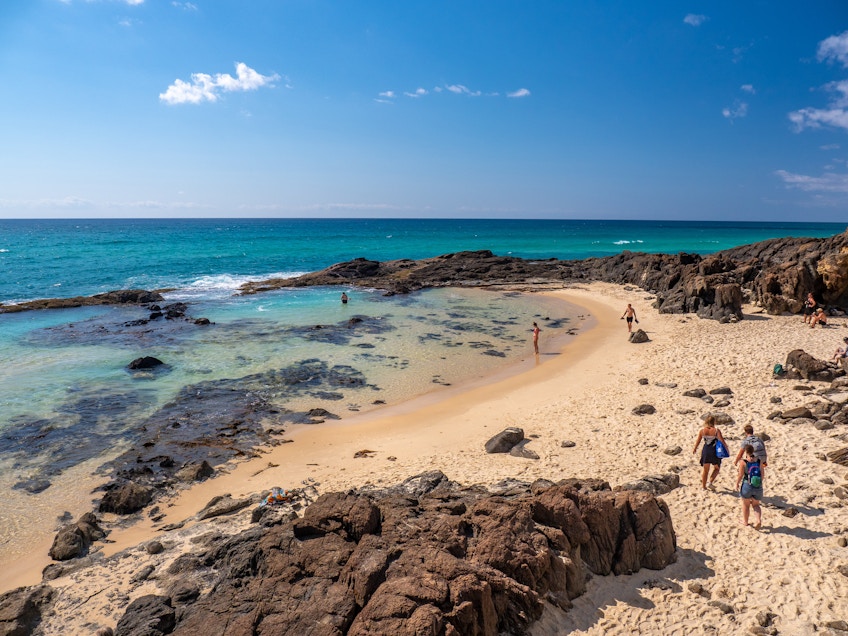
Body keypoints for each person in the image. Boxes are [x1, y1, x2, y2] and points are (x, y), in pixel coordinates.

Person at [692, 414, 727, 490]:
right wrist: (726, 448)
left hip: (706, 450)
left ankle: (703, 487)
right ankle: (710, 482)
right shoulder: (716, 431)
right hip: (714, 450)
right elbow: (722, 440)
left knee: (705, 470)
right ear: (713, 422)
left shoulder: (702, 431)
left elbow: (698, 441)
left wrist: (695, 448)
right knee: (717, 468)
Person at [736, 444, 764, 528]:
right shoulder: (759, 461)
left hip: (747, 485)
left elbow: (740, 475)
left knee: (746, 505)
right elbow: (762, 475)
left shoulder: (743, 462)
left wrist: (737, 483)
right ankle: (758, 520)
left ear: (746, 452)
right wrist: (758, 483)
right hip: (758, 485)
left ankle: (745, 522)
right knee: (756, 505)